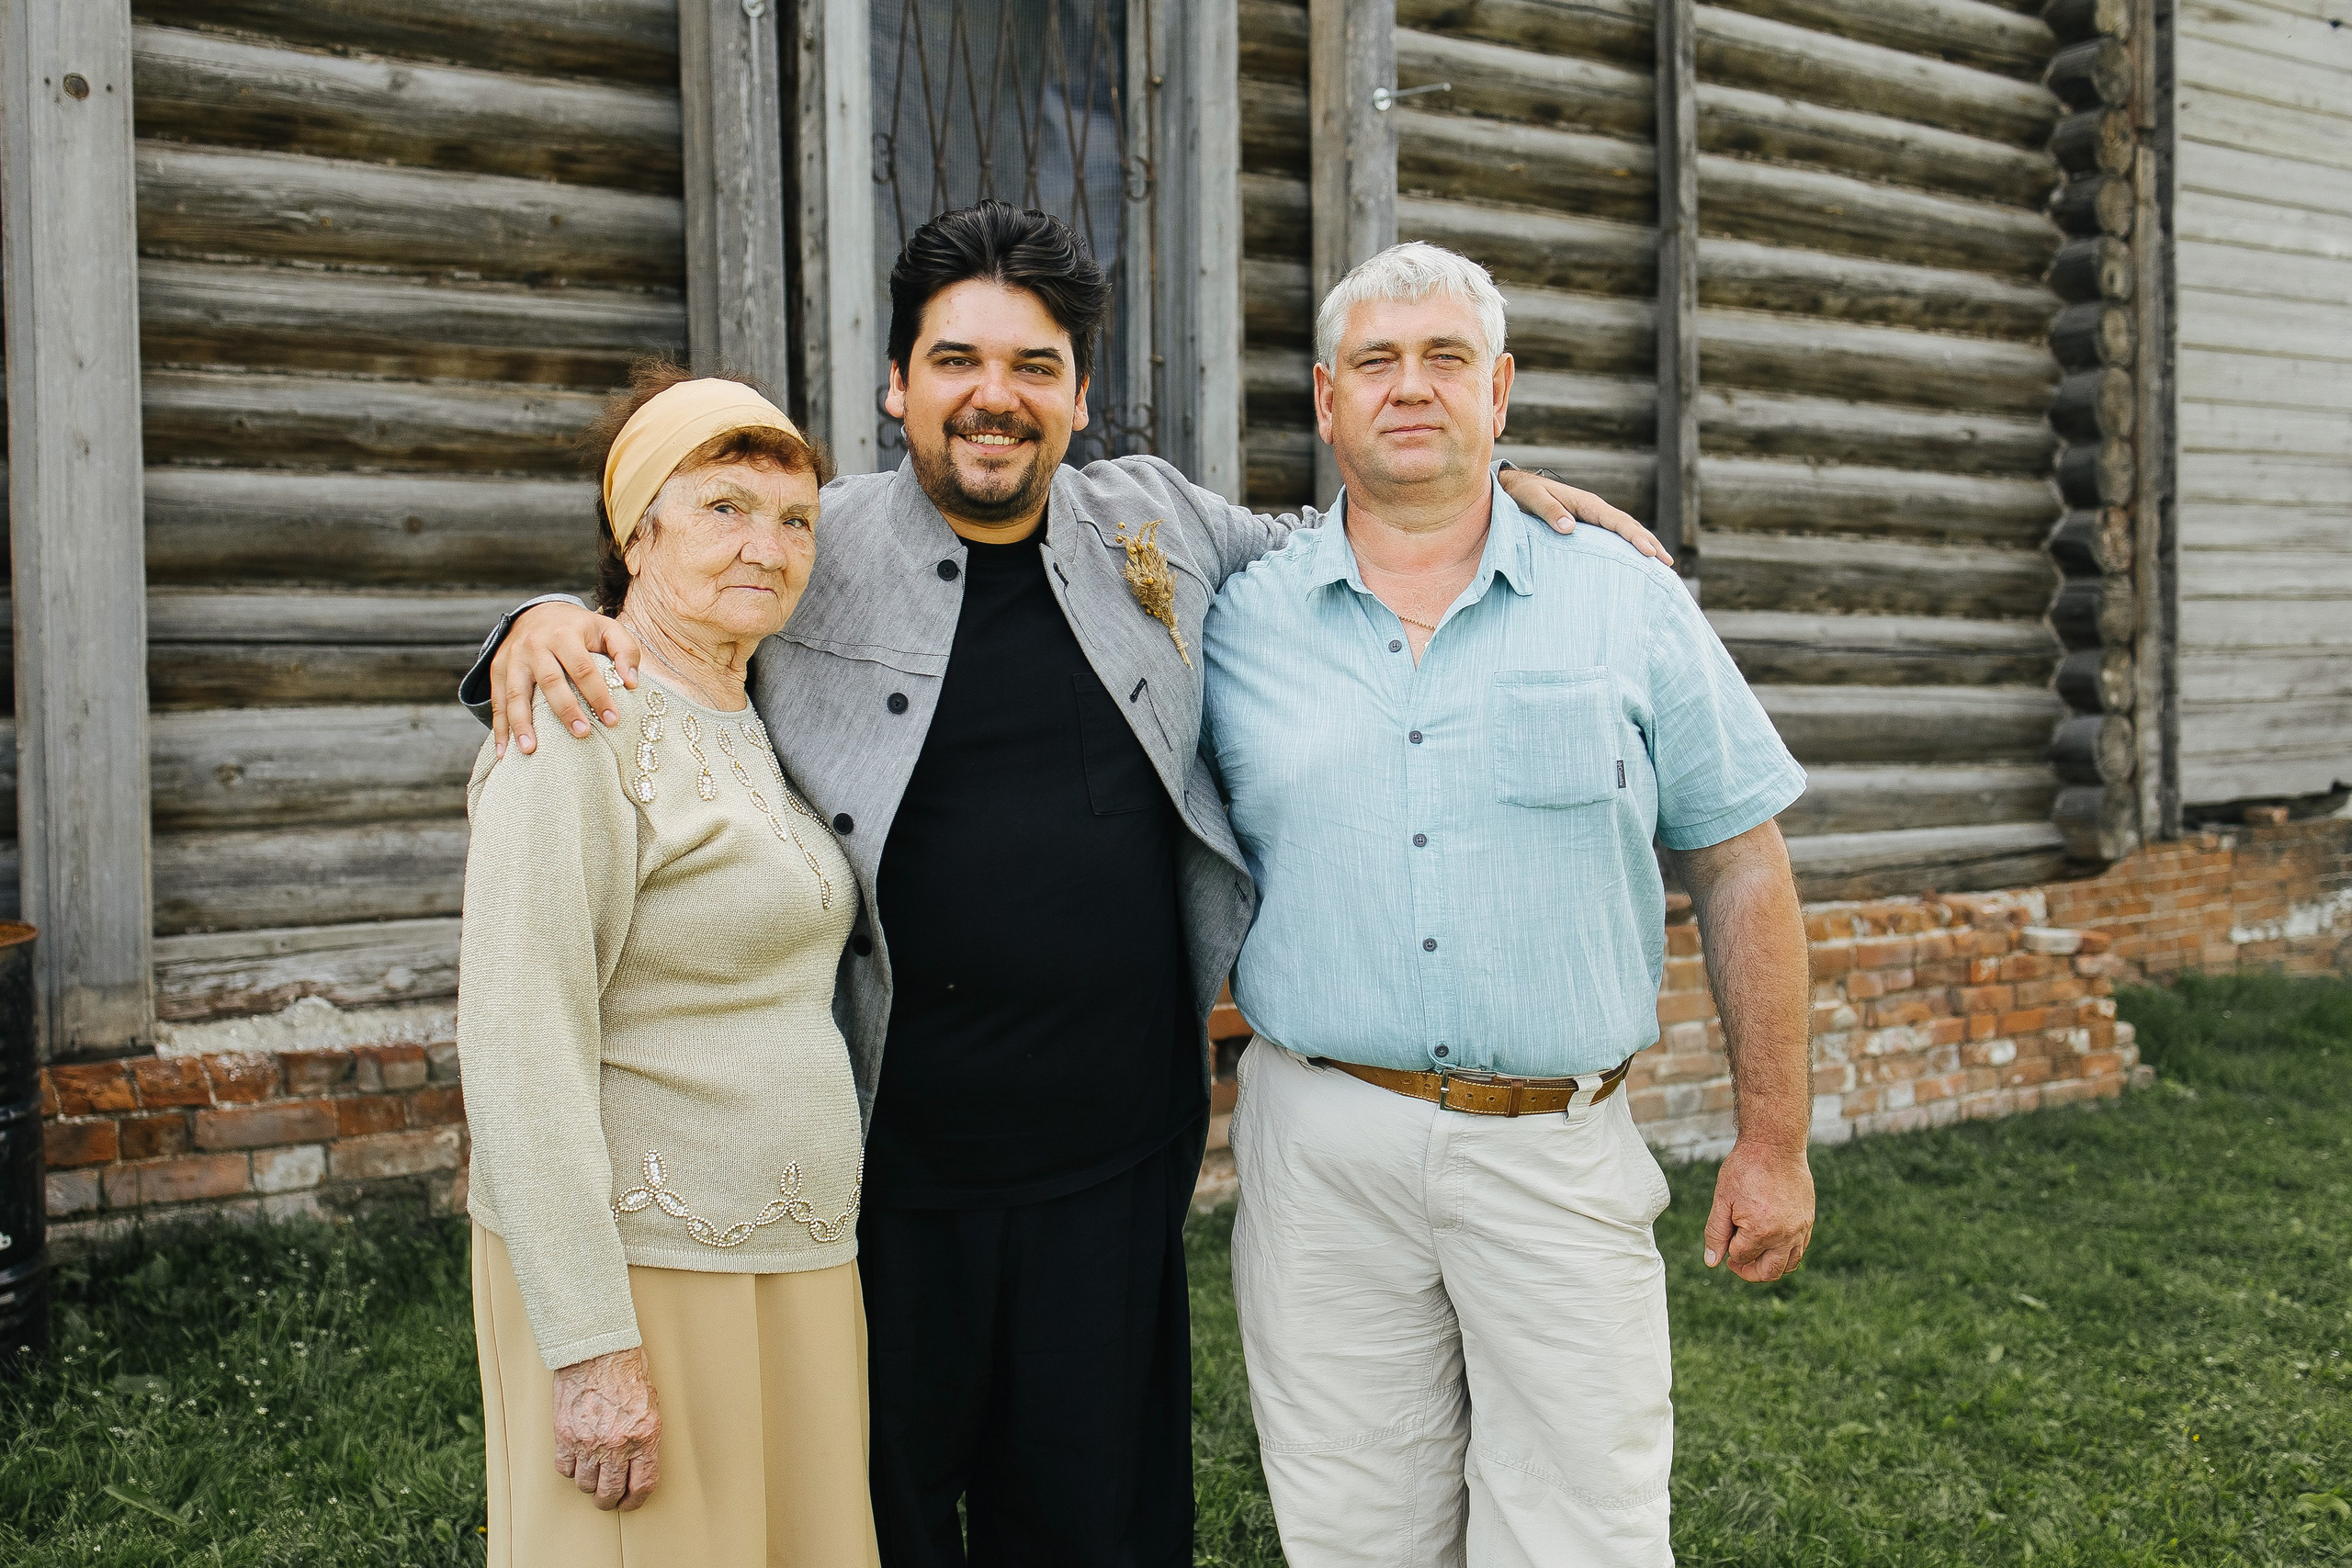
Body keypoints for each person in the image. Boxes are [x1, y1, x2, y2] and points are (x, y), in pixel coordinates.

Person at [462, 202, 1662, 1568]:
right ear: (898, 385)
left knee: (1096, 1526)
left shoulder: (1158, 522)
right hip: (887, 1171)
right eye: (958, 360)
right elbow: (661, 588)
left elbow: (1351, 555)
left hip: (1114, 1158)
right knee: (880, 1520)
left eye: (1035, 366)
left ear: (1080, 396)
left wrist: (1498, 496)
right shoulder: (814, 535)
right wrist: (536, 619)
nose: (995, 397)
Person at [1201, 242, 1816, 1567]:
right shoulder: (1234, 617)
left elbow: (1741, 860)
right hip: (1320, 1144)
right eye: (1376, 362)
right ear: (1323, 399)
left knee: (1584, 1533)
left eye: (1445, 360)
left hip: (1554, 1149)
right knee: (1353, 1528)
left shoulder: (1624, 601)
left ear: (1502, 389)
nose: (1408, 389)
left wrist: (1775, 1139)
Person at [459, 369, 878, 1567]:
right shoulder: (577, 718)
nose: (769, 545)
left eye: (797, 519)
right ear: (637, 533)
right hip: (648, 1270)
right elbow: (517, 1038)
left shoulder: (758, 716)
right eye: (724, 508)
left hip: (792, 1259)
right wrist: (590, 1342)